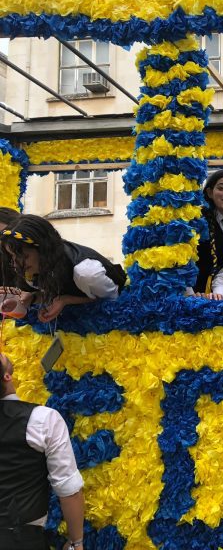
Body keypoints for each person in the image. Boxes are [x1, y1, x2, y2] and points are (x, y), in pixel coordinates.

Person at [0, 352, 84, 550]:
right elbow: (69, 490)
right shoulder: (43, 419)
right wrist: (76, 542)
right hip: (20, 540)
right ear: (7, 376)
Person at [0, 215, 126, 323]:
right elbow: (53, 291)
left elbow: (114, 300)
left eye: (25, 256)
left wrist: (66, 300)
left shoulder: (86, 273)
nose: (17, 264)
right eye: (13, 256)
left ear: (43, 250)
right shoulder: (37, 266)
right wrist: (32, 298)